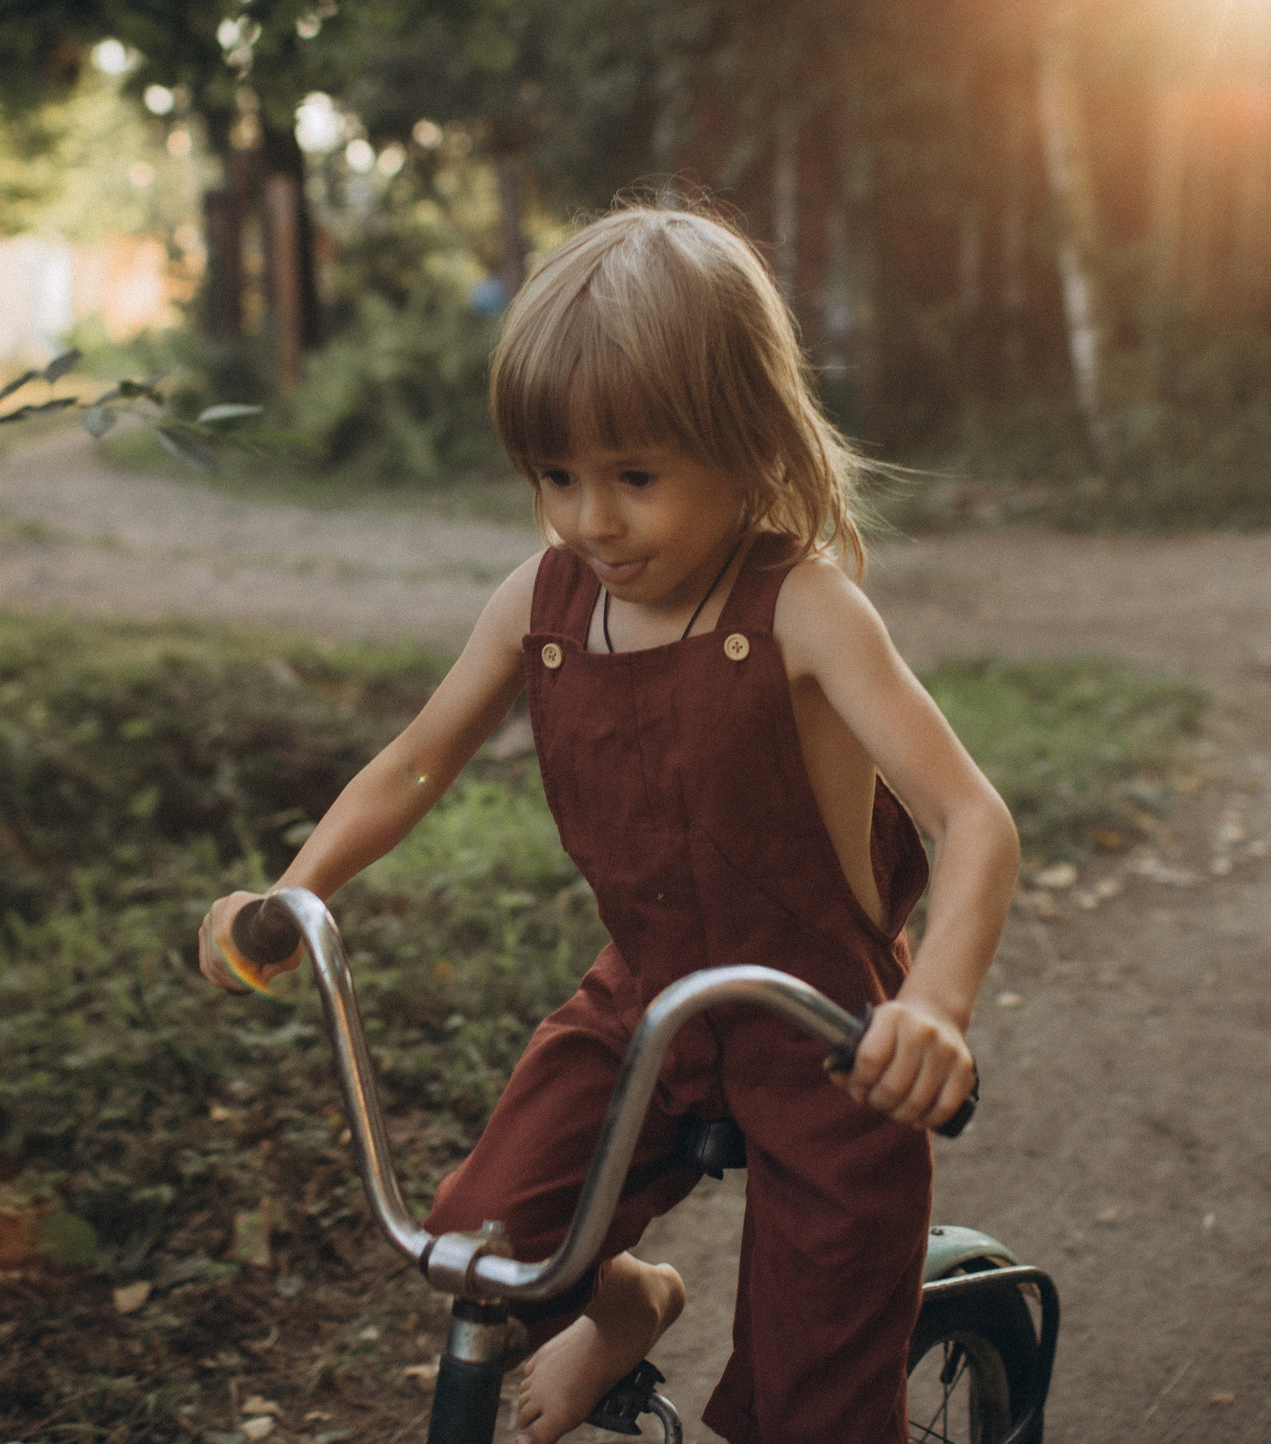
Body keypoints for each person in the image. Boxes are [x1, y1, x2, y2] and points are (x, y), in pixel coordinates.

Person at [196, 204, 1017, 1444]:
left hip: (823, 1033)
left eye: (634, 477)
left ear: (745, 445)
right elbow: (415, 762)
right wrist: (290, 895)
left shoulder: (804, 609)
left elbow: (970, 816)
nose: (591, 520)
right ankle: (626, 1301)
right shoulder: (541, 603)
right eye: (556, 477)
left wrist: (935, 1007)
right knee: (477, 1243)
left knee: (818, 1402)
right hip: (644, 998)